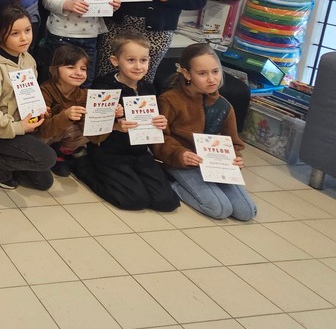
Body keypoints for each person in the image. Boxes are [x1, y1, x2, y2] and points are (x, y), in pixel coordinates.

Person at [75, 30, 179, 211]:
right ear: (115, 61)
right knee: (134, 201)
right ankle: (82, 165)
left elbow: (152, 121)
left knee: (167, 202)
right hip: (110, 152)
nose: (138, 66)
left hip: (139, 152)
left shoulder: (148, 88)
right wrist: (116, 126)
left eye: (143, 60)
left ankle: (135, 179)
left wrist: (160, 123)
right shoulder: (103, 87)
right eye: (131, 60)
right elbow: (91, 126)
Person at [154, 43, 257, 221]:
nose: (211, 79)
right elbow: (159, 138)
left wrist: (234, 158)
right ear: (187, 74)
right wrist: (180, 154)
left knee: (247, 211)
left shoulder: (224, 105)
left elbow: (233, 142)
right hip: (180, 163)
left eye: (215, 72)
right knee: (219, 209)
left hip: (213, 165)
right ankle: (172, 184)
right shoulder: (170, 100)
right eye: (202, 74)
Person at [0, 3, 56, 190]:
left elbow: (28, 93)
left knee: (44, 182)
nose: (24, 38)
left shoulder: (28, 59)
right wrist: (18, 127)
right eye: (15, 33)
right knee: (46, 158)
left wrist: (37, 107)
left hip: (20, 125)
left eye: (27, 30)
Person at [38, 43, 96, 176]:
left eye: (83, 69)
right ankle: (47, 154)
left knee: (86, 129)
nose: (79, 73)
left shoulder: (84, 94)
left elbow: (95, 136)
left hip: (61, 136)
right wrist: (65, 116)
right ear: (54, 69)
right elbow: (43, 130)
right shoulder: (44, 91)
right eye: (71, 67)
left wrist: (111, 118)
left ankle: (61, 151)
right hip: (43, 136)